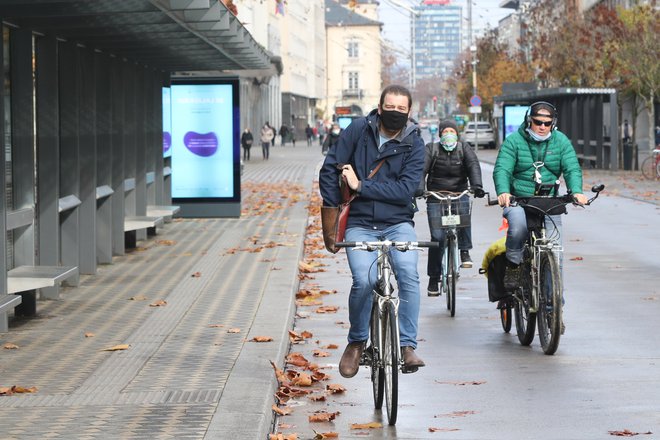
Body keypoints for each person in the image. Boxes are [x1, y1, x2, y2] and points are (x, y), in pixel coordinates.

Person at [319, 84, 426, 378]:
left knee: (408, 273)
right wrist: (333, 206)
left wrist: (361, 186)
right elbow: (330, 168)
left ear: (408, 112)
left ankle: (406, 346)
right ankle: (356, 342)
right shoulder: (357, 131)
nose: (394, 113)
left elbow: (406, 190)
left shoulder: (415, 143)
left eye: (400, 109)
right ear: (379, 108)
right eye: (389, 107)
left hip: (399, 223)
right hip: (360, 224)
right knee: (363, 281)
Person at [493, 101, 588, 292]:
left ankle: (554, 310)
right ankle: (514, 265)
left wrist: (576, 191)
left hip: (549, 201)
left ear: (553, 123)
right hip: (519, 200)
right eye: (538, 122)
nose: (543, 127)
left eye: (547, 123)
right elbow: (502, 168)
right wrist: (504, 191)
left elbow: (571, 168)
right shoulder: (513, 141)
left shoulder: (561, 141)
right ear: (529, 121)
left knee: (555, 253)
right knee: (518, 227)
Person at [417, 119, 484, 296]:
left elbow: (473, 165)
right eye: (445, 131)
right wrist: (419, 188)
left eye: (452, 131)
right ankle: (433, 278)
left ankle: (464, 251)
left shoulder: (464, 148)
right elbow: (421, 170)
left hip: (458, 193)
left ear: (457, 134)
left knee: (463, 217)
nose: (449, 134)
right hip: (435, 196)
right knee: (437, 237)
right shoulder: (431, 149)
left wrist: (476, 185)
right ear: (440, 134)